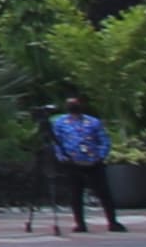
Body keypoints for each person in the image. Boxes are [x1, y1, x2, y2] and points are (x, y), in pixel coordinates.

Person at [46, 97, 124, 231]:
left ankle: (112, 221)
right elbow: (57, 141)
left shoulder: (93, 122)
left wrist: (100, 156)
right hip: (72, 162)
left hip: (93, 162)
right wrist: (62, 156)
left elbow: (104, 140)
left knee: (104, 193)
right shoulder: (60, 123)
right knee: (76, 194)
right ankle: (80, 223)